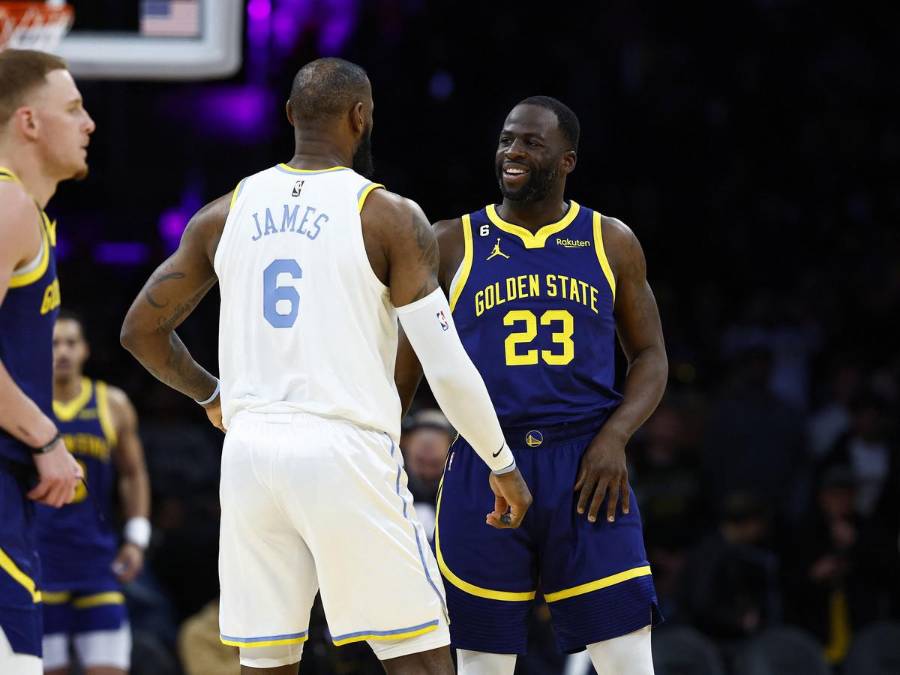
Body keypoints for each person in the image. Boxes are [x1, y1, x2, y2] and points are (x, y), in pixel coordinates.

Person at [119, 57, 532, 675]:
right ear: (361, 117)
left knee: (267, 660)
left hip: (250, 453)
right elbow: (445, 364)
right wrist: (501, 462)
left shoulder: (224, 213)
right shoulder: (388, 216)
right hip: (343, 447)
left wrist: (212, 396)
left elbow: (140, 331)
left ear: (290, 115)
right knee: (418, 656)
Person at [400, 96, 668, 674]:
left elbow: (650, 355)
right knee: (483, 661)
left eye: (530, 142)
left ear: (567, 160)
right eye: (506, 140)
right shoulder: (450, 241)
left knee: (627, 657)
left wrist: (616, 437)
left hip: (586, 463)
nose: (512, 152)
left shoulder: (610, 240)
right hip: (485, 460)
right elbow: (406, 365)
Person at [0, 49, 92, 673]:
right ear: (29, 122)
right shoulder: (7, 205)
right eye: (74, 108)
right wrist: (45, 436)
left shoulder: (26, 212)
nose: (89, 123)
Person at [35, 310, 151, 675]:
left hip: (97, 559)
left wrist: (136, 538)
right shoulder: (26, 405)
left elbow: (133, 473)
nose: (63, 351)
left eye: (71, 342)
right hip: (38, 560)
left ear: (85, 349)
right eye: (54, 343)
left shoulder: (111, 403)